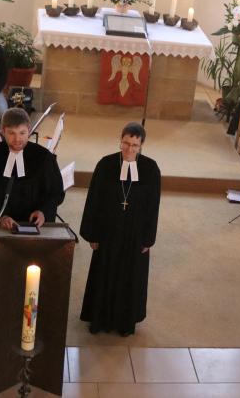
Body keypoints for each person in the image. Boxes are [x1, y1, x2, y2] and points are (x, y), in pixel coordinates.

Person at [0, 108, 65, 332]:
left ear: (29, 130)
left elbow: (55, 192)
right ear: (3, 132)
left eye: (23, 133)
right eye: (12, 133)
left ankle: (26, 325)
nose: (18, 139)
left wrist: (44, 211)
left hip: (32, 234)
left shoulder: (42, 158)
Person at [80, 122, 161, 337]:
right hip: (107, 233)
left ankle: (125, 322)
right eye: (126, 143)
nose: (130, 149)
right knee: (104, 276)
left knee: (129, 278)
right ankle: (99, 320)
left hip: (135, 237)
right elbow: (93, 201)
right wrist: (92, 234)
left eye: (135, 145)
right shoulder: (106, 165)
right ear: (120, 140)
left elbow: (153, 207)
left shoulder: (150, 169)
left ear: (141, 145)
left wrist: (148, 239)